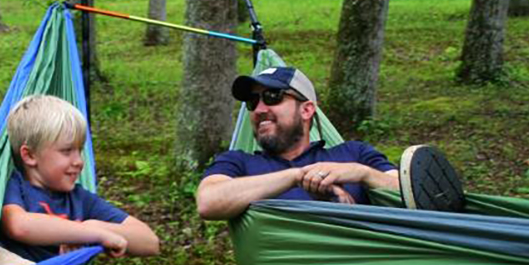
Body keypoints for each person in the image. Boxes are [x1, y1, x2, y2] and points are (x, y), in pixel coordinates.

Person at [196, 66, 464, 220]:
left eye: (273, 96)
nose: (259, 108)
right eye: (253, 102)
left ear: (307, 110)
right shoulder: (238, 162)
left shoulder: (354, 153)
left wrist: (362, 173)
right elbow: (208, 202)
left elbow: (415, 193)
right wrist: (296, 176)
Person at [0, 94, 159, 265]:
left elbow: (150, 242)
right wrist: (92, 234)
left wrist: (95, 226)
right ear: (30, 155)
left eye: (80, 150)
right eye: (66, 151)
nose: (79, 162)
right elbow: (19, 226)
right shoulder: (13, 185)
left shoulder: (80, 200)